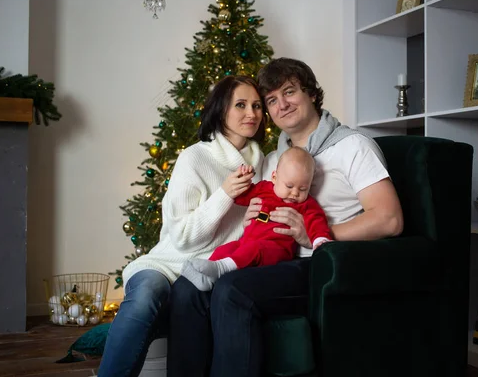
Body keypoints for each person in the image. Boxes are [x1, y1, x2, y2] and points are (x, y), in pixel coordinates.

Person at [167, 58, 404, 377]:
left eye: (289, 92)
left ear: (311, 94)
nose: (282, 105)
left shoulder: (353, 147)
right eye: (272, 100)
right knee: (187, 289)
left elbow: (389, 219)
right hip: (274, 260)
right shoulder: (273, 160)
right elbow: (258, 202)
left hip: (322, 265)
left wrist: (317, 235)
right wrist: (251, 215)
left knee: (233, 289)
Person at [97, 75, 267, 377]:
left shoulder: (263, 164)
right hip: (168, 263)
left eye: (256, 105)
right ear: (221, 111)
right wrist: (225, 194)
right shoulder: (194, 158)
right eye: (240, 105)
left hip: (209, 269)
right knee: (146, 294)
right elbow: (182, 237)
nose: (252, 113)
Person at [180, 147, 332, 291]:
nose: (294, 193)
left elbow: (317, 221)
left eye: (302, 189)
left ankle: (221, 269)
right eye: (289, 186)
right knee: (228, 248)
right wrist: (243, 179)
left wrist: (320, 240)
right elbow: (240, 197)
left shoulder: (306, 204)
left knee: (255, 249)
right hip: (247, 242)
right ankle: (207, 274)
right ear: (274, 177)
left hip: (276, 249)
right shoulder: (263, 189)